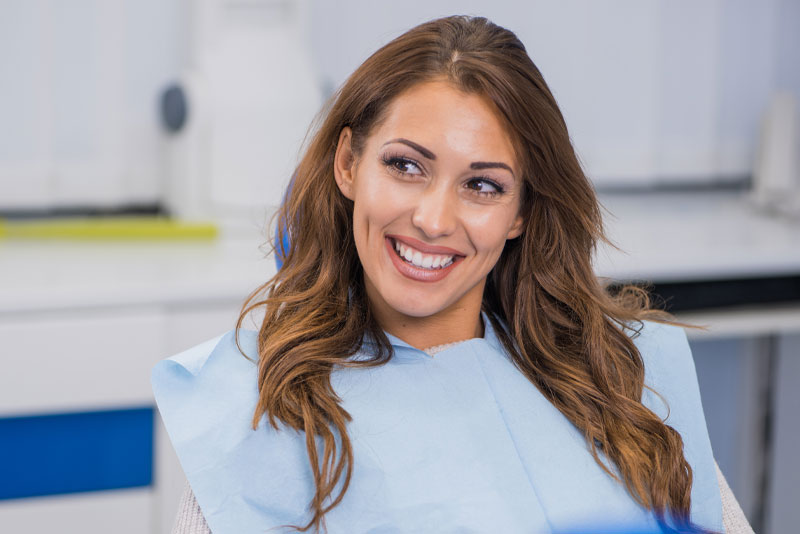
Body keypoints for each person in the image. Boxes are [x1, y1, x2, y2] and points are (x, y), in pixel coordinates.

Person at [152, 15, 753, 534]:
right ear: (348, 164)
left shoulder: (619, 380)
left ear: (521, 213)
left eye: (482, 185)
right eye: (406, 166)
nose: (434, 220)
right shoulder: (260, 411)